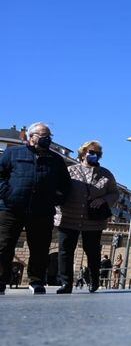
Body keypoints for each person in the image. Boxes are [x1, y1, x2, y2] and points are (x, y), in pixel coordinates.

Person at [0, 122, 71, 295]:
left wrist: (54, 200)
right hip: (11, 208)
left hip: (42, 211)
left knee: (40, 248)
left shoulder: (56, 160)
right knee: (3, 245)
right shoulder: (12, 153)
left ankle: (36, 281)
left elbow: (65, 185)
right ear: (31, 137)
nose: (47, 139)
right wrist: (8, 194)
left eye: (49, 136)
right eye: (43, 136)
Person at [54, 140, 118, 294]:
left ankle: (94, 281)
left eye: (97, 153)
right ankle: (66, 283)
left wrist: (103, 200)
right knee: (65, 251)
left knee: (93, 251)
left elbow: (115, 193)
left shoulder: (106, 174)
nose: (94, 155)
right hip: (68, 216)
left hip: (93, 220)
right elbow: (58, 190)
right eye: (91, 152)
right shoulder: (70, 171)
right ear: (83, 153)